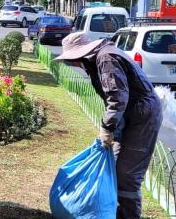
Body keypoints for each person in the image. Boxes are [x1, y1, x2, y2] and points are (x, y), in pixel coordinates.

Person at [54, 32, 162, 219]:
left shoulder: (106, 59)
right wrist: (113, 129)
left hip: (142, 117)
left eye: (71, 60)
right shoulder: (97, 60)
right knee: (115, 169)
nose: (71, 63)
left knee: (126, 176)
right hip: (130, 115)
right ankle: (115, 213)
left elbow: (117, 98)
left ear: (82, 54)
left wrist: (107, 127)